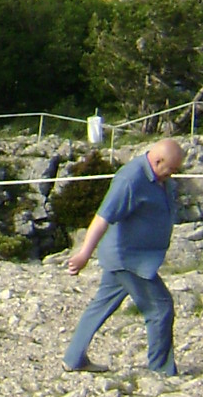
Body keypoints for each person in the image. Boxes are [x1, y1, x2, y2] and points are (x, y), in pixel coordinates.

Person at [64, 138, 186, 376]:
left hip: (134, 257)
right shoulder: (130, 179)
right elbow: (102, 218)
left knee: (101, 305)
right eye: (171, 169)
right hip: (129, 260)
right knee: (160, 307)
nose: (173, 174)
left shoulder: (160, 179)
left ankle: (73, 358)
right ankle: (161, 371)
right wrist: (84, 254)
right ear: (157, 161)